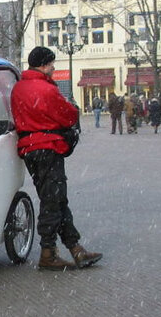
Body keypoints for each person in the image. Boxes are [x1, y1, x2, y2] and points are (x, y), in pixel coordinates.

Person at [11, 46, 102, 270]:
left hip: (29, 148)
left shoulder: (18, 88)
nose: (53, 67)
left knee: (56, 198)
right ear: (43, 64)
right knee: (53, 201)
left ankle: (76, 249)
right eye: (51, 63)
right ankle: (48, 252)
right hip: (48, 147)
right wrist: (72, 110)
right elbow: (68, 115)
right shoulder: (46, 89)